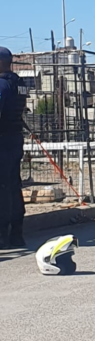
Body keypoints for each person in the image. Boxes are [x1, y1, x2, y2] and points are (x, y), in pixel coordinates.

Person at [0, 46, 27, 249]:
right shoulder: (20, 83)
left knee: (3, 188)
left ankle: (3, 236)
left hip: (3, 139)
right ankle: (16, 233)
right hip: (15, 138)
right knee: (13, 186)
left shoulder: (2, 84)